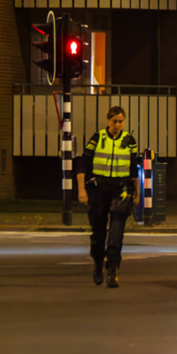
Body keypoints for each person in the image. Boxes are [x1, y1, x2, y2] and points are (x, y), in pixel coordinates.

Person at [77, 106, 141, 288]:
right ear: (108, 121)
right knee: (98, 232)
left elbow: (135, 168)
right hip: (99, 189)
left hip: (120, 189)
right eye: (115, 121)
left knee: (117, 231)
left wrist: (138, 193)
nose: (118, 125)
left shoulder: (129, 140)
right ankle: (98, 264)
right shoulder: (98, 138)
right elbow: (82, 163)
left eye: (121, 121)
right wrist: (81, 189)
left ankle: (112, 268)